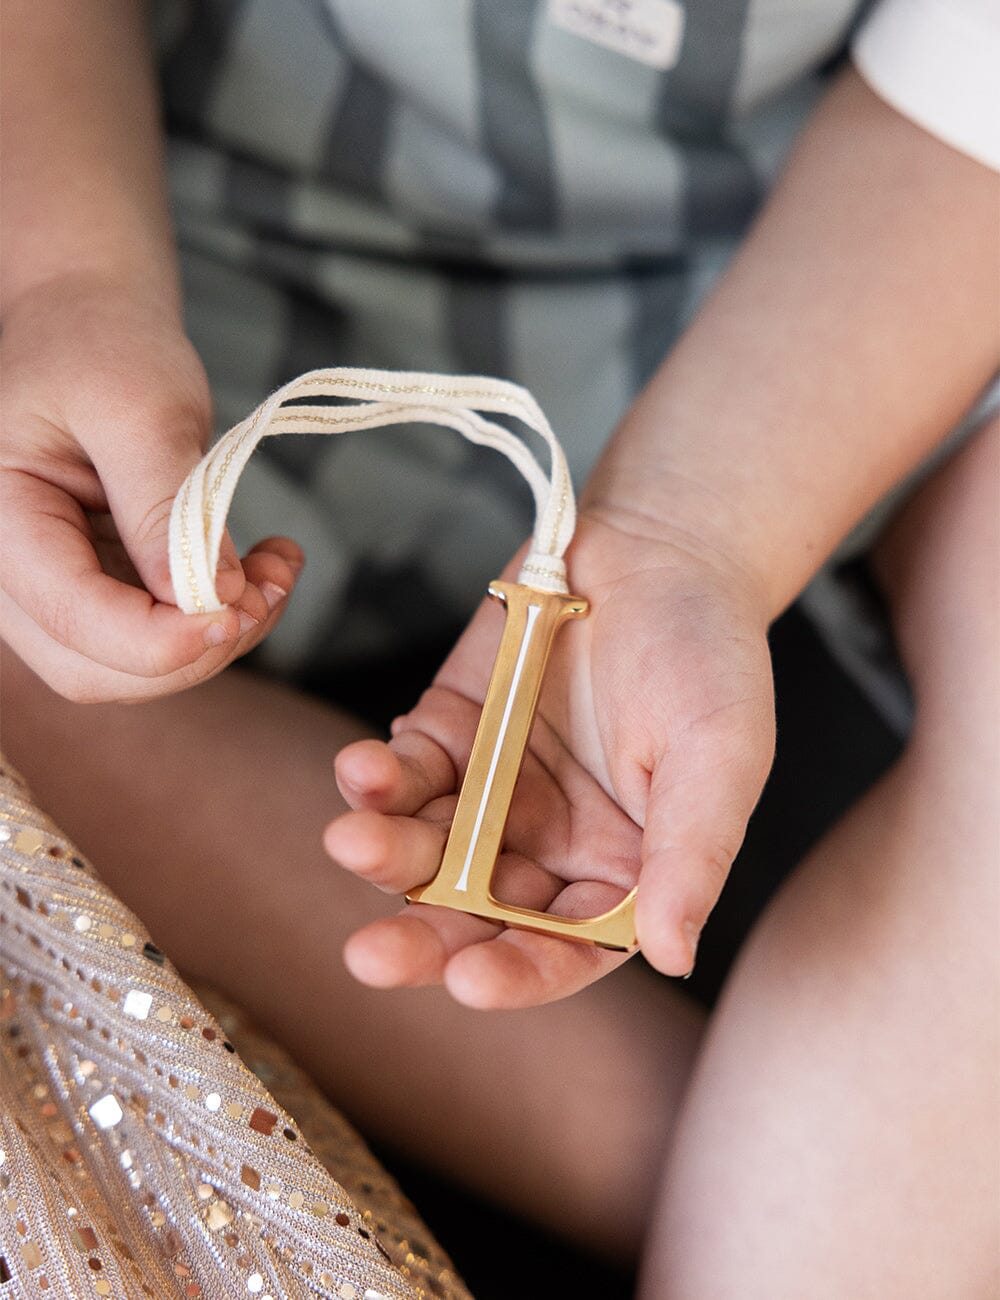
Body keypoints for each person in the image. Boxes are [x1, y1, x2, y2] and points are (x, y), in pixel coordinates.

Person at [2, 1, 997, 1295]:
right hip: (147, 215)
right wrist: (57, 283)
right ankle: (803, 1173)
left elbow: (963, 135)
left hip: (819, 313)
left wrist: (689, 534)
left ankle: (823, 1200)